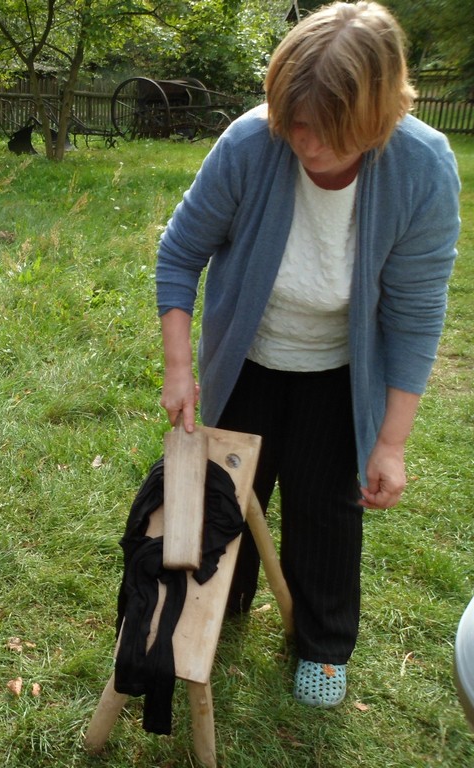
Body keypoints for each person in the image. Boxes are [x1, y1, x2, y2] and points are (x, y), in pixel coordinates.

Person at [155, 1, 460, 708]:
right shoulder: (249, 143)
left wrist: (391, 444)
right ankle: (218, 608)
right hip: (246, 359)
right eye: (292, 117)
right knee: (224, 499)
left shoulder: (421, 167)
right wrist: (179, 369)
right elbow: (180, 254)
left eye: (324, 126)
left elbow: (416, 315)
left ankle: (322, 644)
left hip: (341, 372)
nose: (302, 138)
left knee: (327, 509)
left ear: (374, 116)